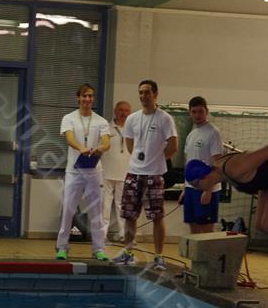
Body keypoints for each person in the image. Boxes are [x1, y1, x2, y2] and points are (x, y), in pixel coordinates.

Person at [113, 80, 178, 270]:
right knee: (129, 215)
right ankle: (128, 253)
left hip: (154, 175)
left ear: (155, 94)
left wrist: (156, 159)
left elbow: (173, 146)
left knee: (157, 216)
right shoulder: (132, 118)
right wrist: (140, 160)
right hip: (134, 174)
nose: (143, 96)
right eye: (141, 92)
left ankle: (158, 256)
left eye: (147, 92)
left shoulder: (165, 118)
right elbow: (130, 144)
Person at [55, 83, 111, 261]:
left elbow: (107, 142)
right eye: (84, 96)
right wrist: (82, 148)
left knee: (96, 210)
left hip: (94, 171)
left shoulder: (101, 121)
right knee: (68, 208)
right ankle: (62, 246)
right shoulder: (69, 118)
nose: (87, 99)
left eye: (90, 96)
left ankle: (98, 249)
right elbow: (70, 139)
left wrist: (100, 148)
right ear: (78, 98)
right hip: (74, 171)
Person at [179, 96, 223, 234]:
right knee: (193, 227)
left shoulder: (213, 132)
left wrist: (208, 190)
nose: (197, 115)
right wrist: (185, 188)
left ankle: (208, 252)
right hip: (191, 188)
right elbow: (188, 163)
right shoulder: (191, 135)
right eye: (194, 112)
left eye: (200, 111)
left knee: (206, 229)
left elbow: (217, 163)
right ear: (190, 113)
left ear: (206, 111)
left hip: (206, 189)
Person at [101, 100, 132, 243]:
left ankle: (123, 234)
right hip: (106, 172)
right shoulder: (106, 128)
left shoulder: (133, 130)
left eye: (126, 111)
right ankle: (102, 235)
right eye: (121, 110)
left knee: (122, 206)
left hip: (125, 173)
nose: (123, 113)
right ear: (115, 111)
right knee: (104, 206)